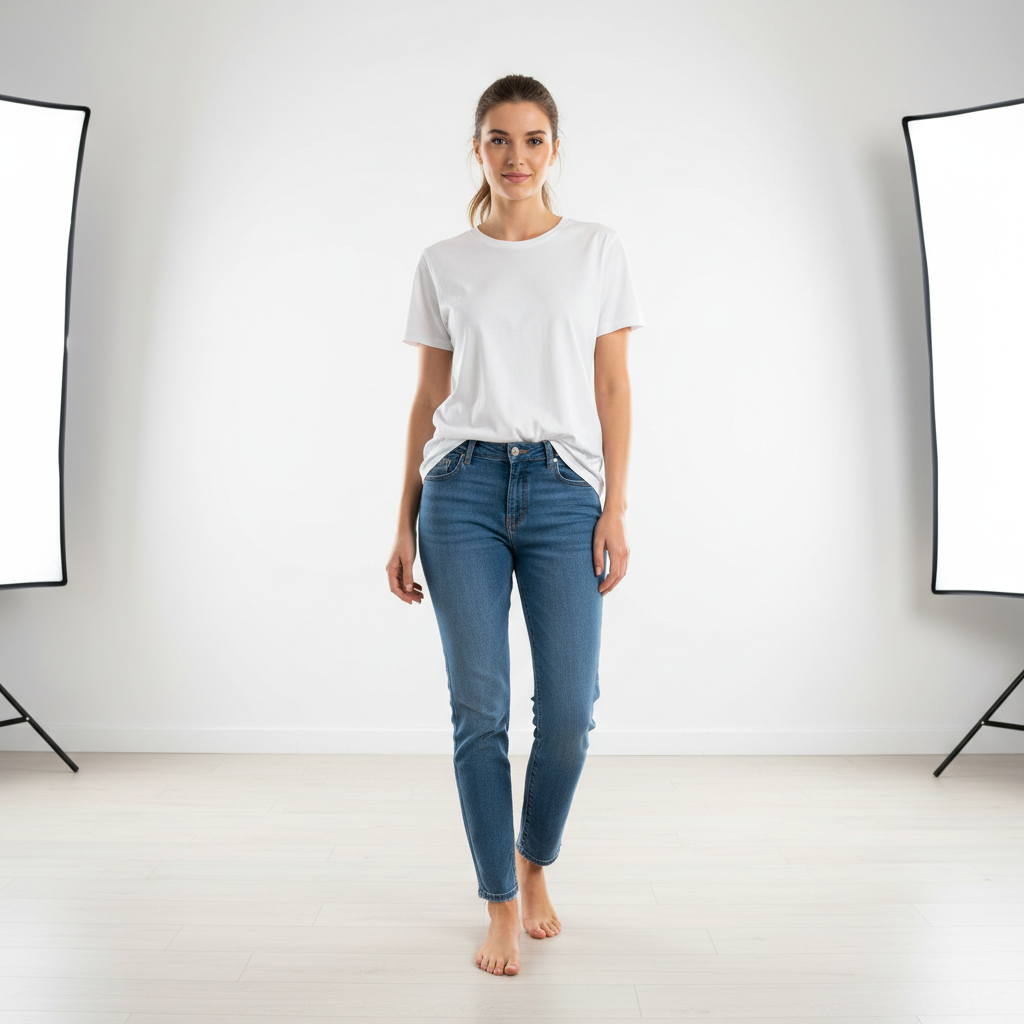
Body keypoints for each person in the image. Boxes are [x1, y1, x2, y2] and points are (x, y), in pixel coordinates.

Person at [385, 73, 644, 977]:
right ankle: (499, 897)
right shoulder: (443, 261)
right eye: (499, 139)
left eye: (533, 140)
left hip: (565, 488)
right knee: (479, 710)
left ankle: (537, 859)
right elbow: (427, 398)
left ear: (555, 150)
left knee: (569, 712)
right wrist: (403, 518)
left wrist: (615, 505)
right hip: (458, 489)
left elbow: (612, 387)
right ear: (478, 149)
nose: (517, 157)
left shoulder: (596, 251)